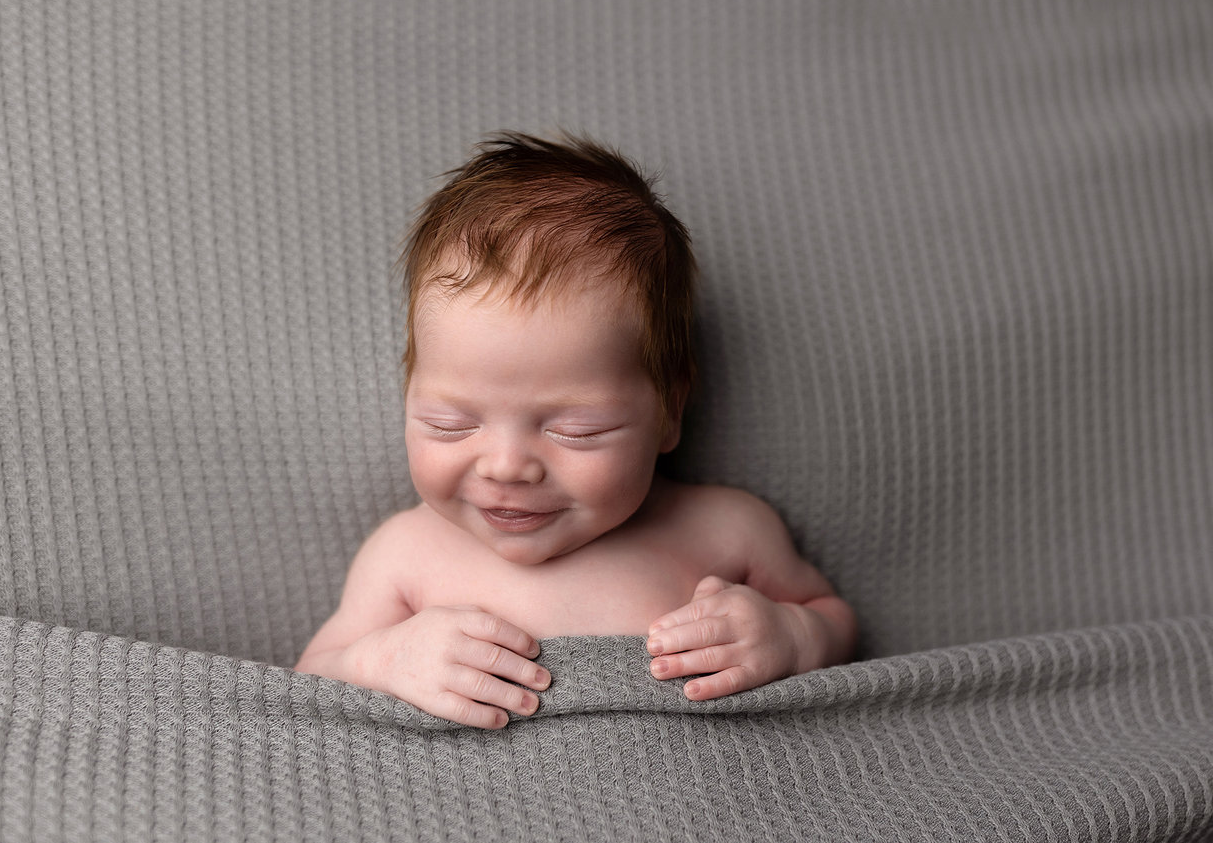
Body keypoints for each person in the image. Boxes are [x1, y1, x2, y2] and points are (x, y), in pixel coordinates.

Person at [296, 132, 856, 728]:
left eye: (578, 431)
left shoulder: (726, 531)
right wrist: (382, 659)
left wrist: (792, 635)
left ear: (669, 410)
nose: (507, 466)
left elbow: (835, 617)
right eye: (450, 424)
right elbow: (313, 677)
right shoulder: (405, 556)